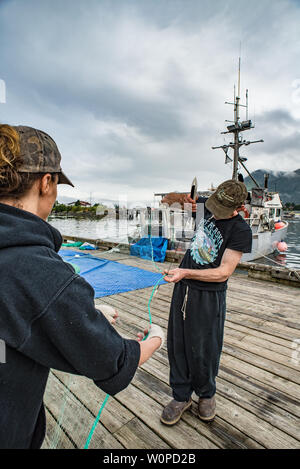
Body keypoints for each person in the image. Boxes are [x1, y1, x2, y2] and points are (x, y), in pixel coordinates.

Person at [0, 124, 164, 449]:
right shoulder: (41, 271)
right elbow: (114, 361)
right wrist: (157, 337)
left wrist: (90, 311)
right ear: (46, 182)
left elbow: (19, 310)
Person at [160, 180, 252, 425]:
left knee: (205, 347)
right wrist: (183, 198)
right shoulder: (208, 206)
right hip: (183, 288)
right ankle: (181, 395)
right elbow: (172, 200)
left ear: (239, 207)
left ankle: (206, 394)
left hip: (209, 296)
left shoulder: (241, 230)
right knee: (177, 342)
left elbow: (223, 272)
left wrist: (186, 273)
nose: (216, 212)